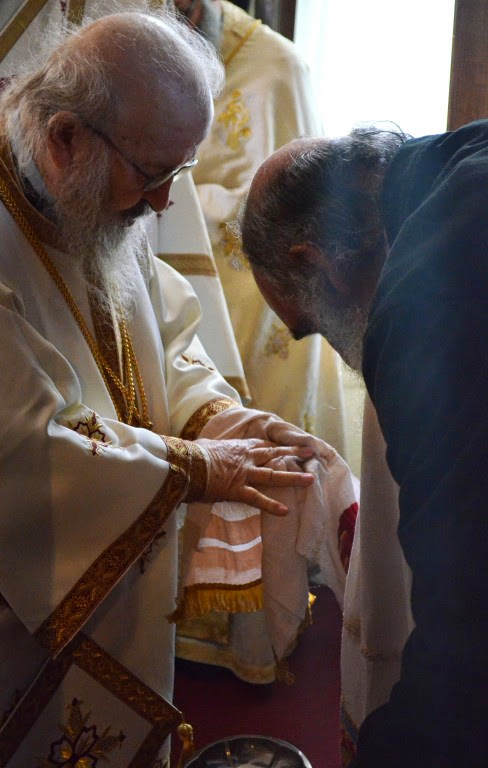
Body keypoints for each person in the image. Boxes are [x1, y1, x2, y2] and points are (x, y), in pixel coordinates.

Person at [0, 10, 323, 765]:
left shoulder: (93, 185)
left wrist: (220, 420)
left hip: (118, 583)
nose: (163, 205)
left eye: (178, 173)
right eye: (152, 175)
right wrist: (196, 471)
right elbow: (23, 445)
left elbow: (164, 341)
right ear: (65, 136)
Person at [240, 123, 488, 767]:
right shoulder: (461, 157)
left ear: (315, 263)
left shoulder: (421, 311)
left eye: (312, 327)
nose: (342, 350)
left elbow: (470, 616)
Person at [172, 0, 356, 468]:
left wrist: (176, 198)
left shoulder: (278, 68)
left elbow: (301, 211)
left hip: (257, 311)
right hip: (169, 302)